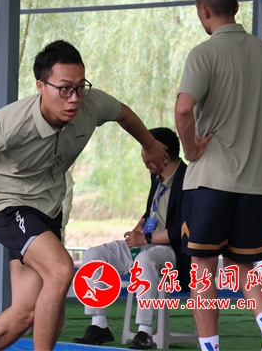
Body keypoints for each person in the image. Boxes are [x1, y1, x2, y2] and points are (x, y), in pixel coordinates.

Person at [0, 40, 169, 350]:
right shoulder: (11, 124)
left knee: (25, 312)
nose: (74, 98)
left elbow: (123, 113)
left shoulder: (91, 103)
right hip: (7, 204)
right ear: (41, 86)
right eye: (64, 89)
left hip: (47, 207)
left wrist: (150, 143)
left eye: (80, 87)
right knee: (60, 269)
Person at [175, 0, 262, 351]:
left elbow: (183, 109)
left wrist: (191, 150)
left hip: (210, 183)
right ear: (237, 6)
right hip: (253, 186)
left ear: (203, 10)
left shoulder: (204, 54)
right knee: (245, 269)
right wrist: (261, 165)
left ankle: (210, 348)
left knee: (203, 271)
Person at [72, 127, 191, 349]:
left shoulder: (188, 178)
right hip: (147, 242)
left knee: (144, 260)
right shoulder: (157, 176)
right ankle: (99, 325)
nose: (143, 158)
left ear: (163, 152)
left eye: (146, 148)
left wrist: (146, 238)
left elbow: (184, 229)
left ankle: (144, 331)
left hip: (172, 251)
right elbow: (153, 211)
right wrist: (140, 226)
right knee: (94, 255)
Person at [0, 170, 75, 333]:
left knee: (43, 262)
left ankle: (43, 313)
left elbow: (63, 211)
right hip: (7, 228)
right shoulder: (12, 168)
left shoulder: (61, 174)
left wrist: (38, 235)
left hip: (39, 233)